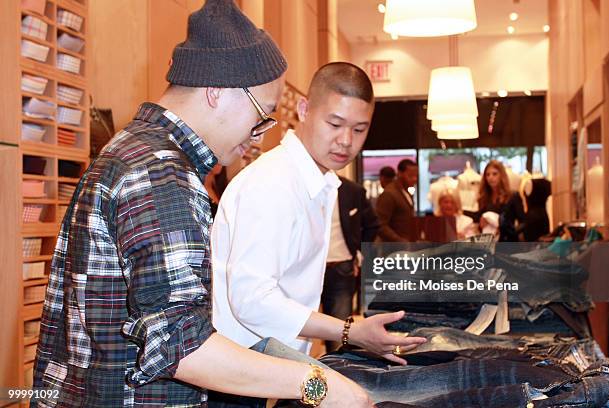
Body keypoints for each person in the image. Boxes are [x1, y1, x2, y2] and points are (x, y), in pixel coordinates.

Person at [31, 2, 372, 407]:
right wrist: (318, 383)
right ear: (218, 91)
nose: (258, 136)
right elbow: (183, 348)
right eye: (261, 116)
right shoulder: (160, 173)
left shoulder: (133, 149)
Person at [212, 62, 427, 366]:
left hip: (271, 363)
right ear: (303, 109)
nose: (346, 140)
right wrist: (348, 330)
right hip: (239, 370)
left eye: (359, 129)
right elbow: (251, 300)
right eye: (334, 124)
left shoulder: (320, 183)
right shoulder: (274, 183)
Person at [322, 176, 380, 351]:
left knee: (339, 330)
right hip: (302, 271)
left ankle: (337, 371)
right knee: (297, 329)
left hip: (341, 266)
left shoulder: (351, 190)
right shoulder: (295, 185)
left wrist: (359, 253)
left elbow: (372, 225)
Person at [376, 158, 418, 242]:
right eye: (410, 176)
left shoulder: (406, 192)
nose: (414, 179)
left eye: (416, 176)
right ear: (399, 174)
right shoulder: (389, 194)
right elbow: (380, 225)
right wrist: (400, 241)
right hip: (393, 249)